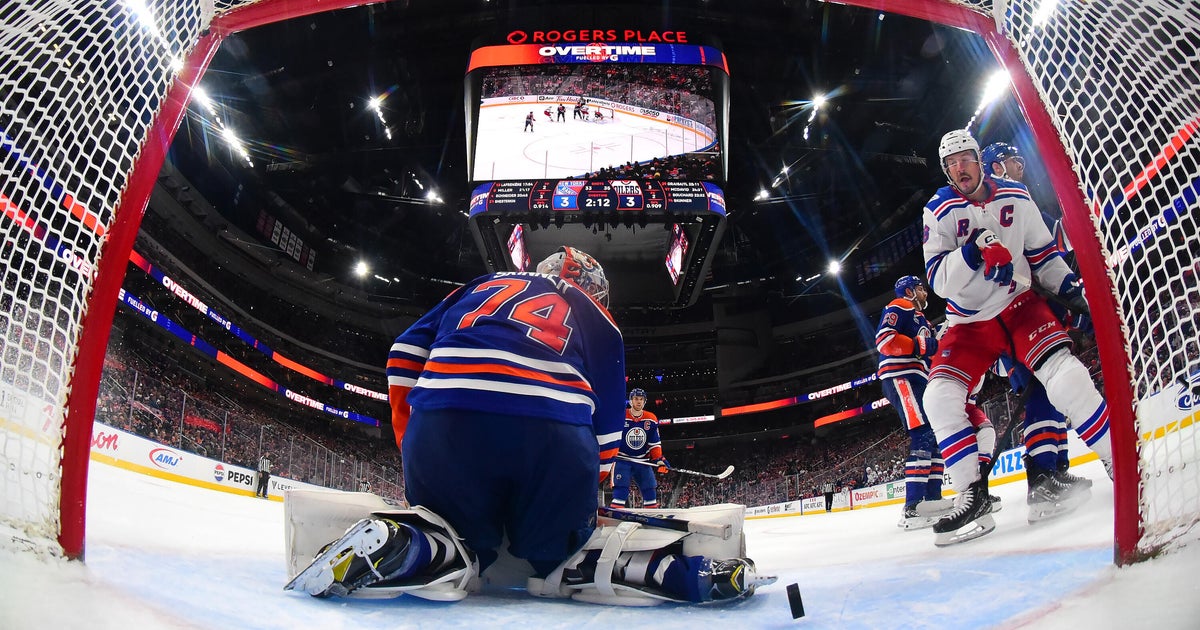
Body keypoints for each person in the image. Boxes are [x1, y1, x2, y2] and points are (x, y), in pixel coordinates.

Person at [286, 247, 772, 604]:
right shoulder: (598, 317)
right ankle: (656, 570)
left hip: (444, 422)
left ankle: (416, 545)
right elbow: (606, 429)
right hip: (550, 434)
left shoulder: (478, 285)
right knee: (559, 551)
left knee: (458, 537)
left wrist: (411, 438)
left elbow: (402, 355)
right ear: (599, 292)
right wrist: (586, 500)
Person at [920, 129, 1114, 546]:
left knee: (1065, 376)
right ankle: (973, 496)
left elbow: (1044, 256)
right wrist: (972, 252)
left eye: (964, 158)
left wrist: (1071, 291)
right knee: (937, 398)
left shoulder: (1016, 196)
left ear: (977, 159)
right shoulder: (938, 210)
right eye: (951, 163)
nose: (959, 168)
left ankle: (1119, 456)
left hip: (1019, 305)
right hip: (968, 322)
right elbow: (937, 280)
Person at [982, 141, 1093, 522]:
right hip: (1009, 318)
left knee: (1051, 392)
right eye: (1014, 159)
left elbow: (1047, 253)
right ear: (996, 165)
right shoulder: (994, 207)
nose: (1021, 164)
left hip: (1028, 317)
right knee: (1042, 392)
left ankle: (1055, 473)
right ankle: (1042, 480)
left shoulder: (1020, 202)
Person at [875, 275, 948, 529]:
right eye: (920, 288)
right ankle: (913, 506)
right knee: (923, 433)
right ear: (908, 290)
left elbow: (928, 350)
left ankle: (932, 498)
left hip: (918, 378)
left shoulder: (923, 319)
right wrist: (920, 344)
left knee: (935, 436)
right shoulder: (899, 305)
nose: (925, 293)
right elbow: (884, 340)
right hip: (901, 376)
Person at [609, 388, 667, 509]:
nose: (639, 402)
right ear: (630, 401)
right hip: (622, 459)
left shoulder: (651, 418)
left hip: (642, 461)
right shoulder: (620, 416)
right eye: (636, 399)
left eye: (641, 399)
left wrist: (658, 459)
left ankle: (651, 516)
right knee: (621, 489)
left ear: (645, 401)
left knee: (650, 489)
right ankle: (615, 513)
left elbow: (654, 443)